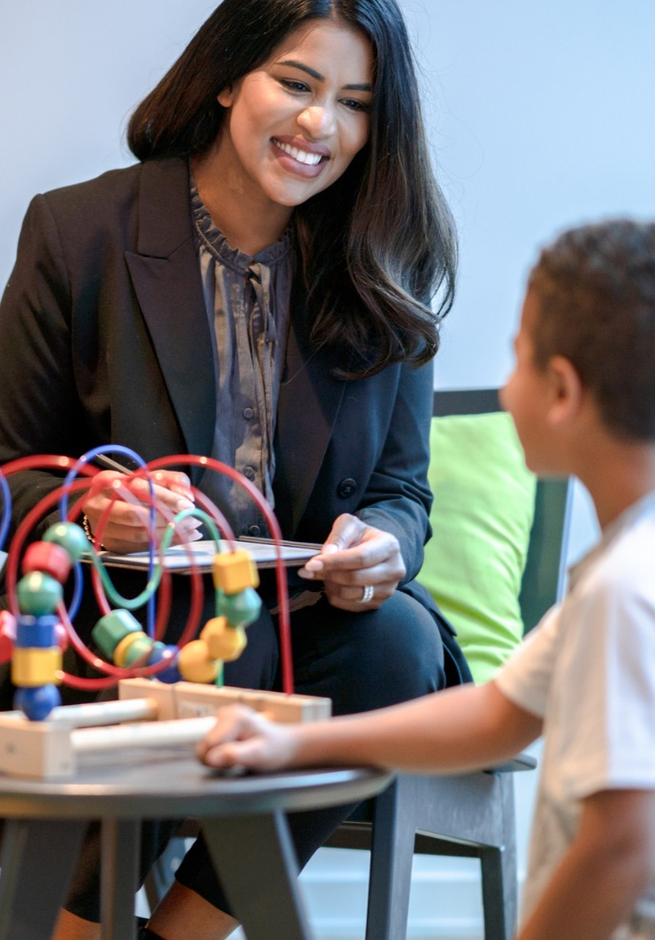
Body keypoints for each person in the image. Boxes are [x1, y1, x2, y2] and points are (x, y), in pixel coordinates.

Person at [0, 1, 471, 938]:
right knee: (182, 652)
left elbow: (402, 493)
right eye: (296, 84)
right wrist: (97, 516)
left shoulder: (383, 264)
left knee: (399, 647)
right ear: (226, 78)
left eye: (355, 103)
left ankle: (182, 931)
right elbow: (14, 466)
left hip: (302, 621)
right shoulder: (78, 232)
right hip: (117, 612)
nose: (320, 126)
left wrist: (384, 544)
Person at [200, 218, 655, 940]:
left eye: (517, 360)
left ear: (561, 391)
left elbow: (622, 847)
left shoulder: (632, 591)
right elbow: (498, 715)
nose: (506, 384)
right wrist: (294, 745)